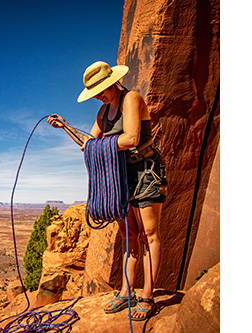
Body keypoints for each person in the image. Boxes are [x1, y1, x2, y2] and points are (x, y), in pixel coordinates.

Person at [48, 61, 167, 321]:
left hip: (146, 172)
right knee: (129, 234)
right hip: (122, 176)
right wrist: (66, 127)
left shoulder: (131, 99)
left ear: (113, 81)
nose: (99, 95)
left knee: (149, 233)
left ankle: (148, 295)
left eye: (101, 89)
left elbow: (133, 138)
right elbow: (88, 143)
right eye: (95, 93)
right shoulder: (103, 112)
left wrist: (101, 145)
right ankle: (126, 292)